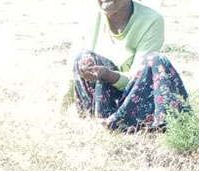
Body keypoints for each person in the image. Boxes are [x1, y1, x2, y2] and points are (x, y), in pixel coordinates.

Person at [72, 0, 189, 131]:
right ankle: (102, 122)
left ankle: (166, 124)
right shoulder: (90, 19)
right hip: (104, 107)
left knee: (156, 60)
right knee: (83, 58)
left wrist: (106, 74)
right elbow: (72, 71)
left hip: (135, 103)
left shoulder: (151, 20)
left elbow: (136, 77)